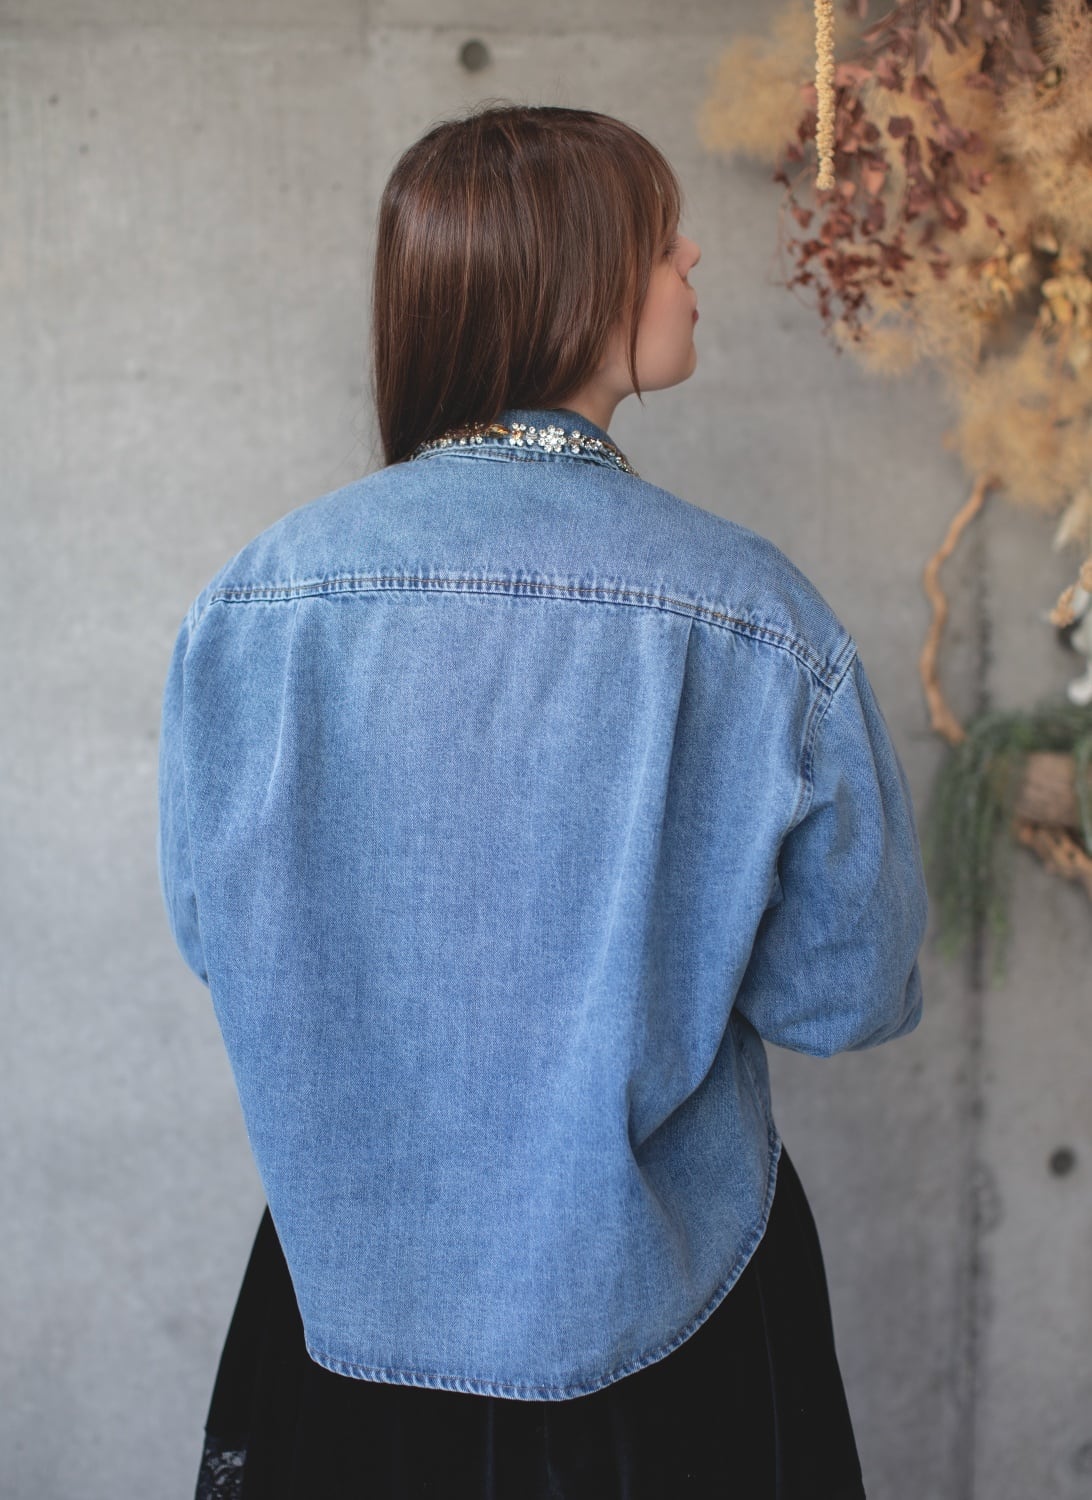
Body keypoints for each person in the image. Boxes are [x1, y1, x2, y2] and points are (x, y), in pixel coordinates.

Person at [157, 101, 929, 1500]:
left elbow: (225, 940)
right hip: (675, 1316)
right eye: (660, 238)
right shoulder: (753, 615)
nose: (693, 258)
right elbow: (846, 994)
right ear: (569, 283)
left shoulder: (254, 604)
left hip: (348, 1314)